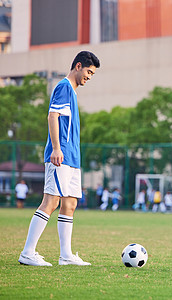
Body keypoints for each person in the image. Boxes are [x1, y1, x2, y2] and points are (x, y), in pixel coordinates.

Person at [18, 51, 100, 267]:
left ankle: (66, 255)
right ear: (78, 66)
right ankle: (27, 252)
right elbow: (52, 116)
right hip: (60, 155)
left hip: (73, 158)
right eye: (89, 72)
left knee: (70, 203)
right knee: (51, 201)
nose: (89, 77)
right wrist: (56, 148)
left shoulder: (72, 91)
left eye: (92, 74)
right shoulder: (64, 87)